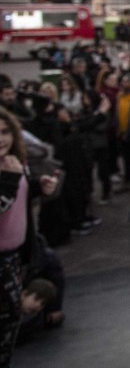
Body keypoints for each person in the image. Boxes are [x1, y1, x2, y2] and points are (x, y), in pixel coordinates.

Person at [0, 107, 59, 365]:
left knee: (10, 320)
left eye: (4, 132)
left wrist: (37, 188)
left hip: (15, 255)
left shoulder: (14, 162)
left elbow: (16, 202)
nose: (1, 139)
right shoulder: (11, 170)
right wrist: (10, 182)